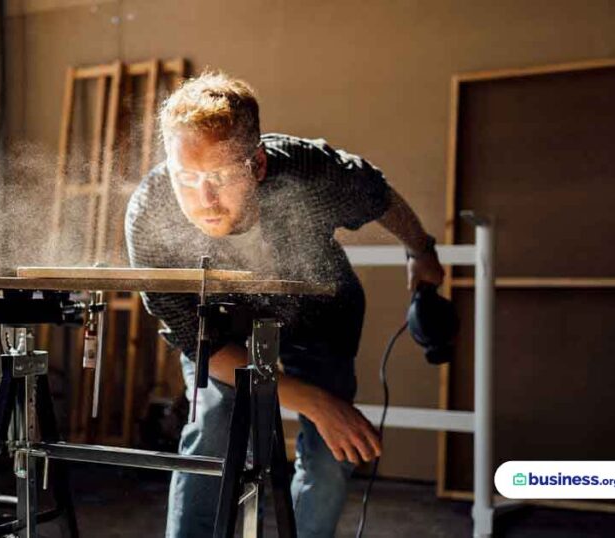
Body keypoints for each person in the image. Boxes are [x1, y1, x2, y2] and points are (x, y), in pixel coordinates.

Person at [125, 71, 445, 538]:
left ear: (256, 164)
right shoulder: (151, 213)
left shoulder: (307, 170)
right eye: (187, 178)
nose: (204, 199)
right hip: (223, 333)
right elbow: (204, 348)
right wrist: (313, 402)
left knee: (333, 454)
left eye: (219, 176)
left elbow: (379, 195)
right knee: (211, 432)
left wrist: (422, 251)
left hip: (319, 320)